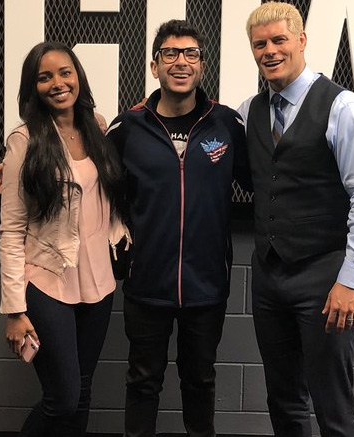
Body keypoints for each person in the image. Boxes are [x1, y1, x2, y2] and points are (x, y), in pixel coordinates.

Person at [236, 3, 354, 436]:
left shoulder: (344, 108)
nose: (269, 51)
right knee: (283, 401)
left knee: (333, 405)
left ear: (301, 40)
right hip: (269, 277)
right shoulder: (249, 110)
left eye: (279, 40)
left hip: (325, 277)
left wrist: (352, 278)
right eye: (260, 44)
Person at [106, 20, 250, 437]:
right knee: (143, 381)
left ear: (202, 65)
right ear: (155, 66)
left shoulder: (226, 125)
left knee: (200, 381)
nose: (181, 62)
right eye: (170, 54)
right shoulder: (128, 128)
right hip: (146, 283)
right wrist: (19, 165)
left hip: (206, 286)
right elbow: (92, 183)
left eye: (190, 54)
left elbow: (268, 181)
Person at [0, 41, 129, 437]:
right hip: (47, 280)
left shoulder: (98, 127)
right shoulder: (25, 141)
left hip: (98, 283)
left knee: (84, 392)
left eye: (65, 73)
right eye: (45, 77)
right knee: (63, 398)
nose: (58, 83)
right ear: (33, 87)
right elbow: (11, 229)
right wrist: (14, 310)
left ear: (78, 77)